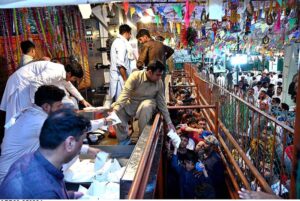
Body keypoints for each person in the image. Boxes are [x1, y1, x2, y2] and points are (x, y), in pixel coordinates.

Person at [0, 85, 110, 184]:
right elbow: (73, 131)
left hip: (18, 172)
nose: (61, 109)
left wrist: (87, 149)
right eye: (58, 106)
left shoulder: (32, 113)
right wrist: (105, 121)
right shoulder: (39, 121)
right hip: (11, 180)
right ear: (46, 107)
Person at [0, 109, 91, 199]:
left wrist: (75, 195)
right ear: (70, 143)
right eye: (83, 140)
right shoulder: (44, 191)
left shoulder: (27, 158)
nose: (82, 144)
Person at [0, 58, 91, 124]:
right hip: (21, 84)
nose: (73, 80)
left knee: (27, 115)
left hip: (27, 85)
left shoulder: (63, 73)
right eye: (74, 78)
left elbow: (69, 86)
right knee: (17, 116)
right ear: (70, 73)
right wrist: (35, 104)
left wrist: (82, 100)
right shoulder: (55, 71)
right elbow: (35, 82)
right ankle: (12, 139)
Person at [111, 60, 175, 144]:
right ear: (150, 72)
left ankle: (142, 139)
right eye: (158, 75)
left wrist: (169, 122)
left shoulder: (159, 83)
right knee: (116, 108)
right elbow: (125, 94)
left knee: (146, 105)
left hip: (147, 106)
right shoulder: (136, 76)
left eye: (160, 75)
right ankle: (123, 140)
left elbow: (161, 102)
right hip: (132, 105)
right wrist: (115, 110)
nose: (159, 78)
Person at [109, 24, 135, 104]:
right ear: (127, 33)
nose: (130, 36)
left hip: (122, 77)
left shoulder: (120, 42)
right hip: (120, 79)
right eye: (130, 34)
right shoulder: (120, 43)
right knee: (121, 105)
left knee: (122, 105)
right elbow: (120, 64)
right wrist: (125, 80)